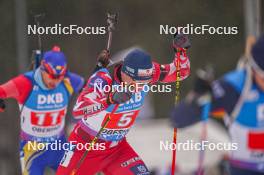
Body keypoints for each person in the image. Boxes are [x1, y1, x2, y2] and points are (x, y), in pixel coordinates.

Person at [56, 40, 191, 174]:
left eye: (147, 83)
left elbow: (181, 72)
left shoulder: (147, 73)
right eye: (138, 83)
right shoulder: (103, 79)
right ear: (127, 74)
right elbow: (78, 110)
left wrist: (181, 52)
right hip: (86, 147)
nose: (142, 87)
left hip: (117, 149)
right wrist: (109, 100)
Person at [171, 35, 264, 175]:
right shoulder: (233, 88)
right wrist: (197, 95)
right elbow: (178, 119)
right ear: (254, 69)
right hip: (246, 169)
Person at [0, 46, 84, 175]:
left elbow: (89, 86)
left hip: (59, 146)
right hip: (32, 149)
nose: (55, 81)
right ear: (42, 68)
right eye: (51, 75)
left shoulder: (69, 81)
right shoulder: (26, 83)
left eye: (59, 76)